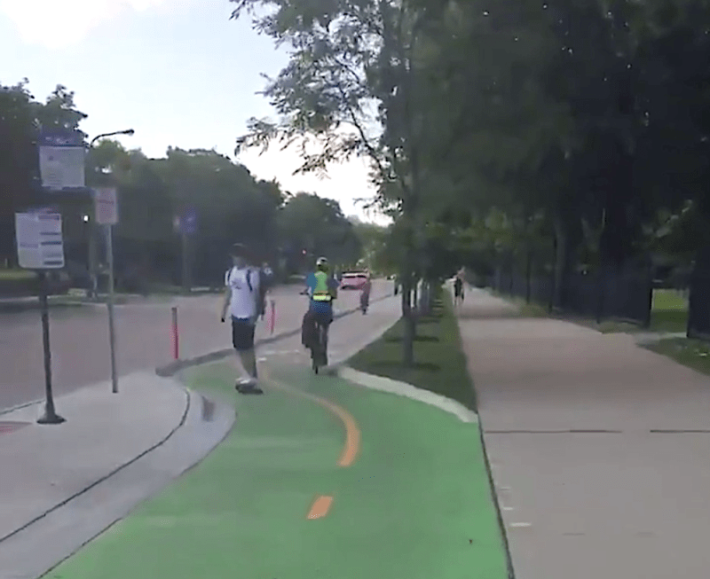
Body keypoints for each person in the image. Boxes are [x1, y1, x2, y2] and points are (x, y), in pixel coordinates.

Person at [220, 243, 263, 394]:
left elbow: (257, 296)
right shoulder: (231, 273)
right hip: (235, 314)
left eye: (239, 256)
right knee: (238, 346)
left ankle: (252, 375)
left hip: (248, 314)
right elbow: (228, 293)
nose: (237, 259)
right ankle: (248, 373)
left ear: (244, 257)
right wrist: (224, 310)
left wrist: (256, 314)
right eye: (234, 257)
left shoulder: (251, 274)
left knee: (247, 347)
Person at [302, 257, 339, 364]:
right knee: (325, 329)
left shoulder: (313, 277)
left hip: (313, 310)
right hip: (326, 310)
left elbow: (308, 290)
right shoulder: (329, 279)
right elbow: (334, 293)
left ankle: (308, 343)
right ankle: (323, 347)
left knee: (306, 322)